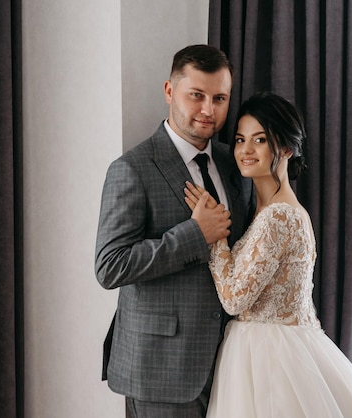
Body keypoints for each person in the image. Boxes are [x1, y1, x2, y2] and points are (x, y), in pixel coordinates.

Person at [184, 92, 352, 417]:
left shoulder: (278, 217)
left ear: (287, 148)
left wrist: (214, 237)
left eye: (260, 139)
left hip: (269, 359)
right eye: (240, 139)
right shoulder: (274, 212)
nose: (245, 150)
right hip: (278, 350)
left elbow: (234, 300)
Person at [95, 45, 253, 418]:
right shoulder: (132, 168)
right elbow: (110, 266)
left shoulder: (237, 164)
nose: (207, 110)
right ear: (170, 91)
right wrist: (195, 234)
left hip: (232, 366)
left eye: (220, 98)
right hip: (160, 371)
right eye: (196, 95)